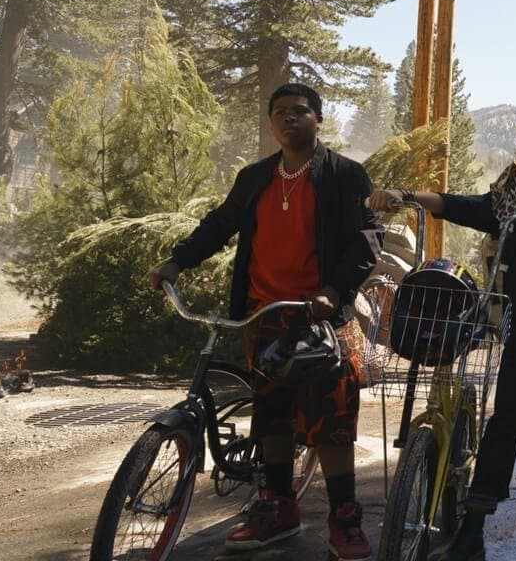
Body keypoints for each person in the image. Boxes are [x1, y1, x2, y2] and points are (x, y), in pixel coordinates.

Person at [149, 83, 381, 561]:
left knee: (332, 424)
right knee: (272, 417)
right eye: (279, 112)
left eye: (300, 111)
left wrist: (333, 291)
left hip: (321, 320)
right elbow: (219, 225)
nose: (288, 118)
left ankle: (345, 519)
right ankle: (277, 509)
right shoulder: (254, 177)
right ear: (272, 122)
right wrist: (177, 261)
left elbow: (367, 242)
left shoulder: (345, 175)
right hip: (264, 316)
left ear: (318, 119)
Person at [368, 118, 516, 561]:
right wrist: (403, 194)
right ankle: (474, 526)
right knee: (507, 415)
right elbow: (451, 203)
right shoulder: (504, 204)